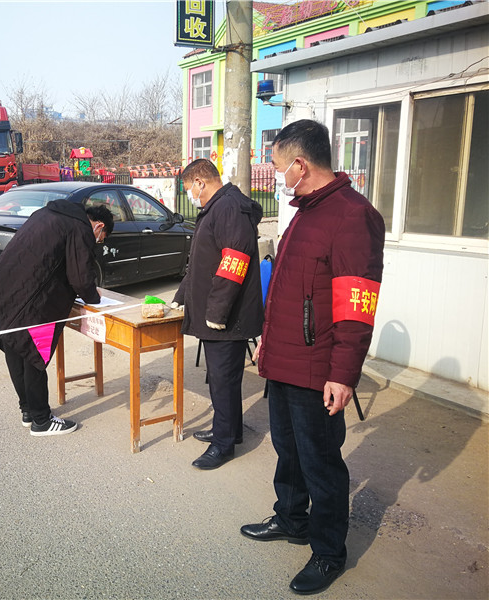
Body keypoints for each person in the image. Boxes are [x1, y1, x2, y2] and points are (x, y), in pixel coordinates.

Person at [242, 120, 385, 595]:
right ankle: (291, 518)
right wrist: (266, 344)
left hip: (317, 369)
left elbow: (355, 307)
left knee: (321, 463)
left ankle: (328, 552)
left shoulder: (352, 216)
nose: (276, 175)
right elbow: (290, 291)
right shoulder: (306, 211)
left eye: (278, 166)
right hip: (284, 360)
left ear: (300, 165)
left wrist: (343, 375)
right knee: (288, 450)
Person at [0, 200, 113, 436]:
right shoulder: (80, 228)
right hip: (37, 301)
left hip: (9, 288)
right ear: (99, 226)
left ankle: (28, 410)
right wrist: (93, 297)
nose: (97, 241)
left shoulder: (46, 213)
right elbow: (80, 277)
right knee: (33, 354)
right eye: (101, 238)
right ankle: (42, 420)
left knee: (15, 346)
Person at [170, 159, 263, 470]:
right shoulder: (217, 208)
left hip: (228, 318)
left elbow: (234, 263)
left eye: (189, 189)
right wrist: (181, 297)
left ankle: (223, 445)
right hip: (218, 314)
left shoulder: (229, 208)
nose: (190, 196)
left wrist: (217, 313)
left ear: (200, 182)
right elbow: (201, 262)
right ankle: (230, 431)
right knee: (222, 380)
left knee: (223, 381)